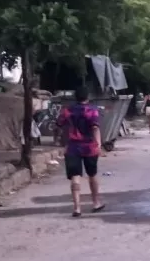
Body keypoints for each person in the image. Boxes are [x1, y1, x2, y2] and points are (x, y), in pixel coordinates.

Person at [56, 86, 105, 217]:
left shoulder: (67, 111)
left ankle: (77, 207)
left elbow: (59, 124)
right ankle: (96, 203)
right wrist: (99, 144)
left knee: (75, 176)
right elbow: (95, 128)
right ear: (87, 97)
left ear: (75, 97)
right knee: (92, 174)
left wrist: (63, 141)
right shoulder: (92, 110)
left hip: (73, 147)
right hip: (90, 147)